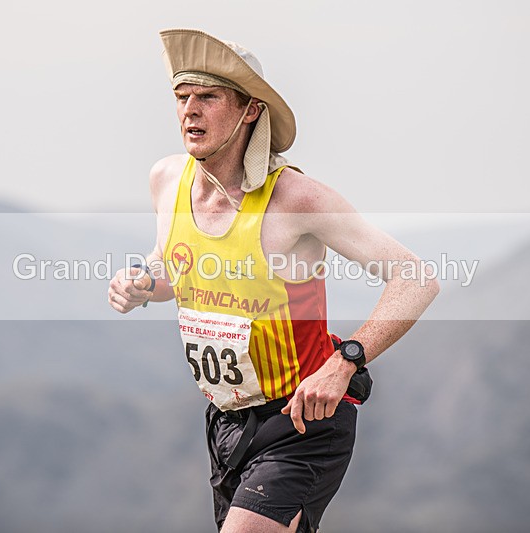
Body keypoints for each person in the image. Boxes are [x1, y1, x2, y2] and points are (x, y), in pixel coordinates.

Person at [108, 28, 439, 533]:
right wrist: (144, 284)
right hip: (226, 421)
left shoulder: (297, 200)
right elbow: (176, 265)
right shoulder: (167, 180)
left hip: (303, 420)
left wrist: (344, 362)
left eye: (208, 97)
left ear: (250, 111)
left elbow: (415, 278)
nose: (189, 111)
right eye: (182, 98)